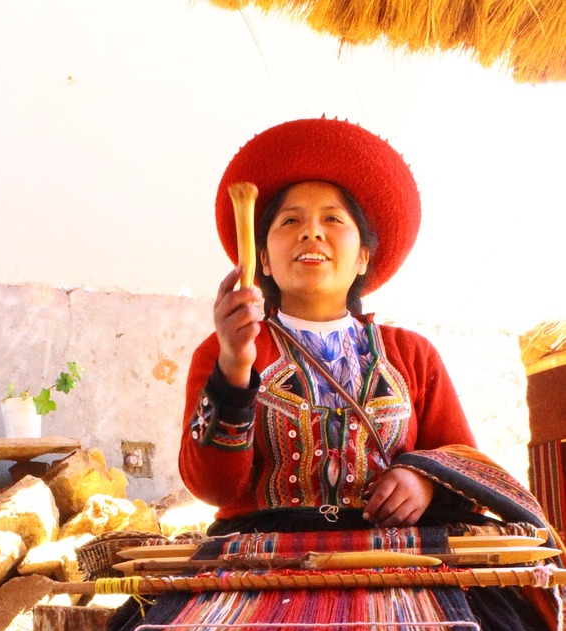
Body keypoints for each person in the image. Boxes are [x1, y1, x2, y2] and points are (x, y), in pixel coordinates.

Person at [179, 118, 486, 534]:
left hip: (395, 564)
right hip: (261, 567)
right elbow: (212, 488)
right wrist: (234, 367)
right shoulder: (221, 352)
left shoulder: (412, 355)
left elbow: (471, 474)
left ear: (362, 257)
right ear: (264, 259)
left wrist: (425, 482)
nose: (311, 231)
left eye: (333, 220)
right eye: (289, 221)